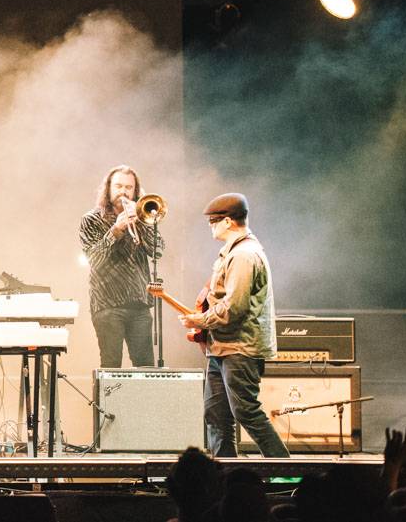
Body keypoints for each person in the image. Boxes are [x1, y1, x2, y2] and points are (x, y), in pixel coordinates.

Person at [178, 193, 289, 458]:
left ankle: (288, 472)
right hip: (222, 347)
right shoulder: (232, 252)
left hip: (240, 348)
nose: (211, 226)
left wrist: (199, 320)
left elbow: (234, 308)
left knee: (246, 412)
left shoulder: (244, 256)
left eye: (214, 221)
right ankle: (225, 473)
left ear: (228, 221)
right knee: (216, 414)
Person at [79, 165, 164, 367]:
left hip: (140, 304)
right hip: (108, 304)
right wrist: (116, 229)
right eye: (118, 186)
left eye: (129, 187)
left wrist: (143, 224)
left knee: (146, 367)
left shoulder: (144, 217)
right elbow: (94, 260)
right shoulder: (91, 219)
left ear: (136, 191)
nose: (123, 192)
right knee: (111, 366)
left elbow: (158, 251)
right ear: (108, 189)